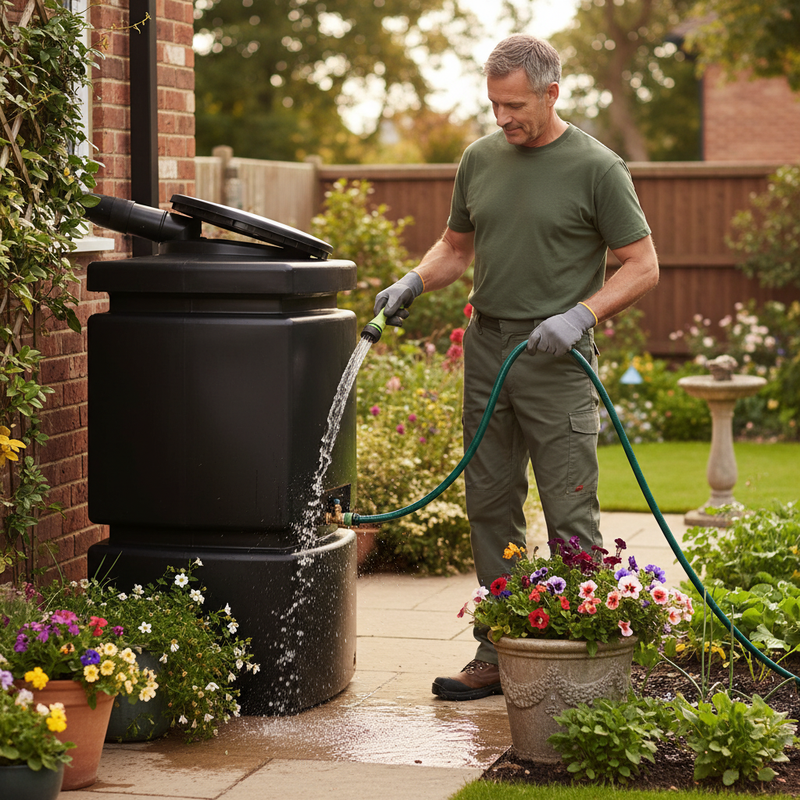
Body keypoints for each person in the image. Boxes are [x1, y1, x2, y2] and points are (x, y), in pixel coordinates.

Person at [373, 34, 659, 701]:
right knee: (490, 503)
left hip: (558, 358)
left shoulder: (598, 167)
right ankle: (498, 649)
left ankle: (582, 661)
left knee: (570, 509)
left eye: (515, 105)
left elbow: (643, 265)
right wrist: (414, 280)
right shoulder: (479, 159)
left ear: (551, 93)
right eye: (495, 105)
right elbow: (454, 248)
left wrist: (581, 315)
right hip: (488, 350)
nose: (502, 117)